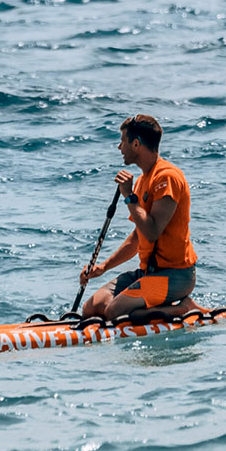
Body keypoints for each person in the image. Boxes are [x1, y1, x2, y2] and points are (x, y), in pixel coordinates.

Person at [81, 114, 198, 322]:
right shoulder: (143, 180)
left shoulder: (167, 177)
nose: (119, 147)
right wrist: (103, 267)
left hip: (175, 276)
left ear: (136, 144)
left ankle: (182, 308)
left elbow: (152, 233)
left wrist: (129, 197)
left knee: (115, 312)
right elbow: (138, 237)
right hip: (147, 274)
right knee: (92, 308)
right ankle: (154, 306)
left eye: (122, 141)